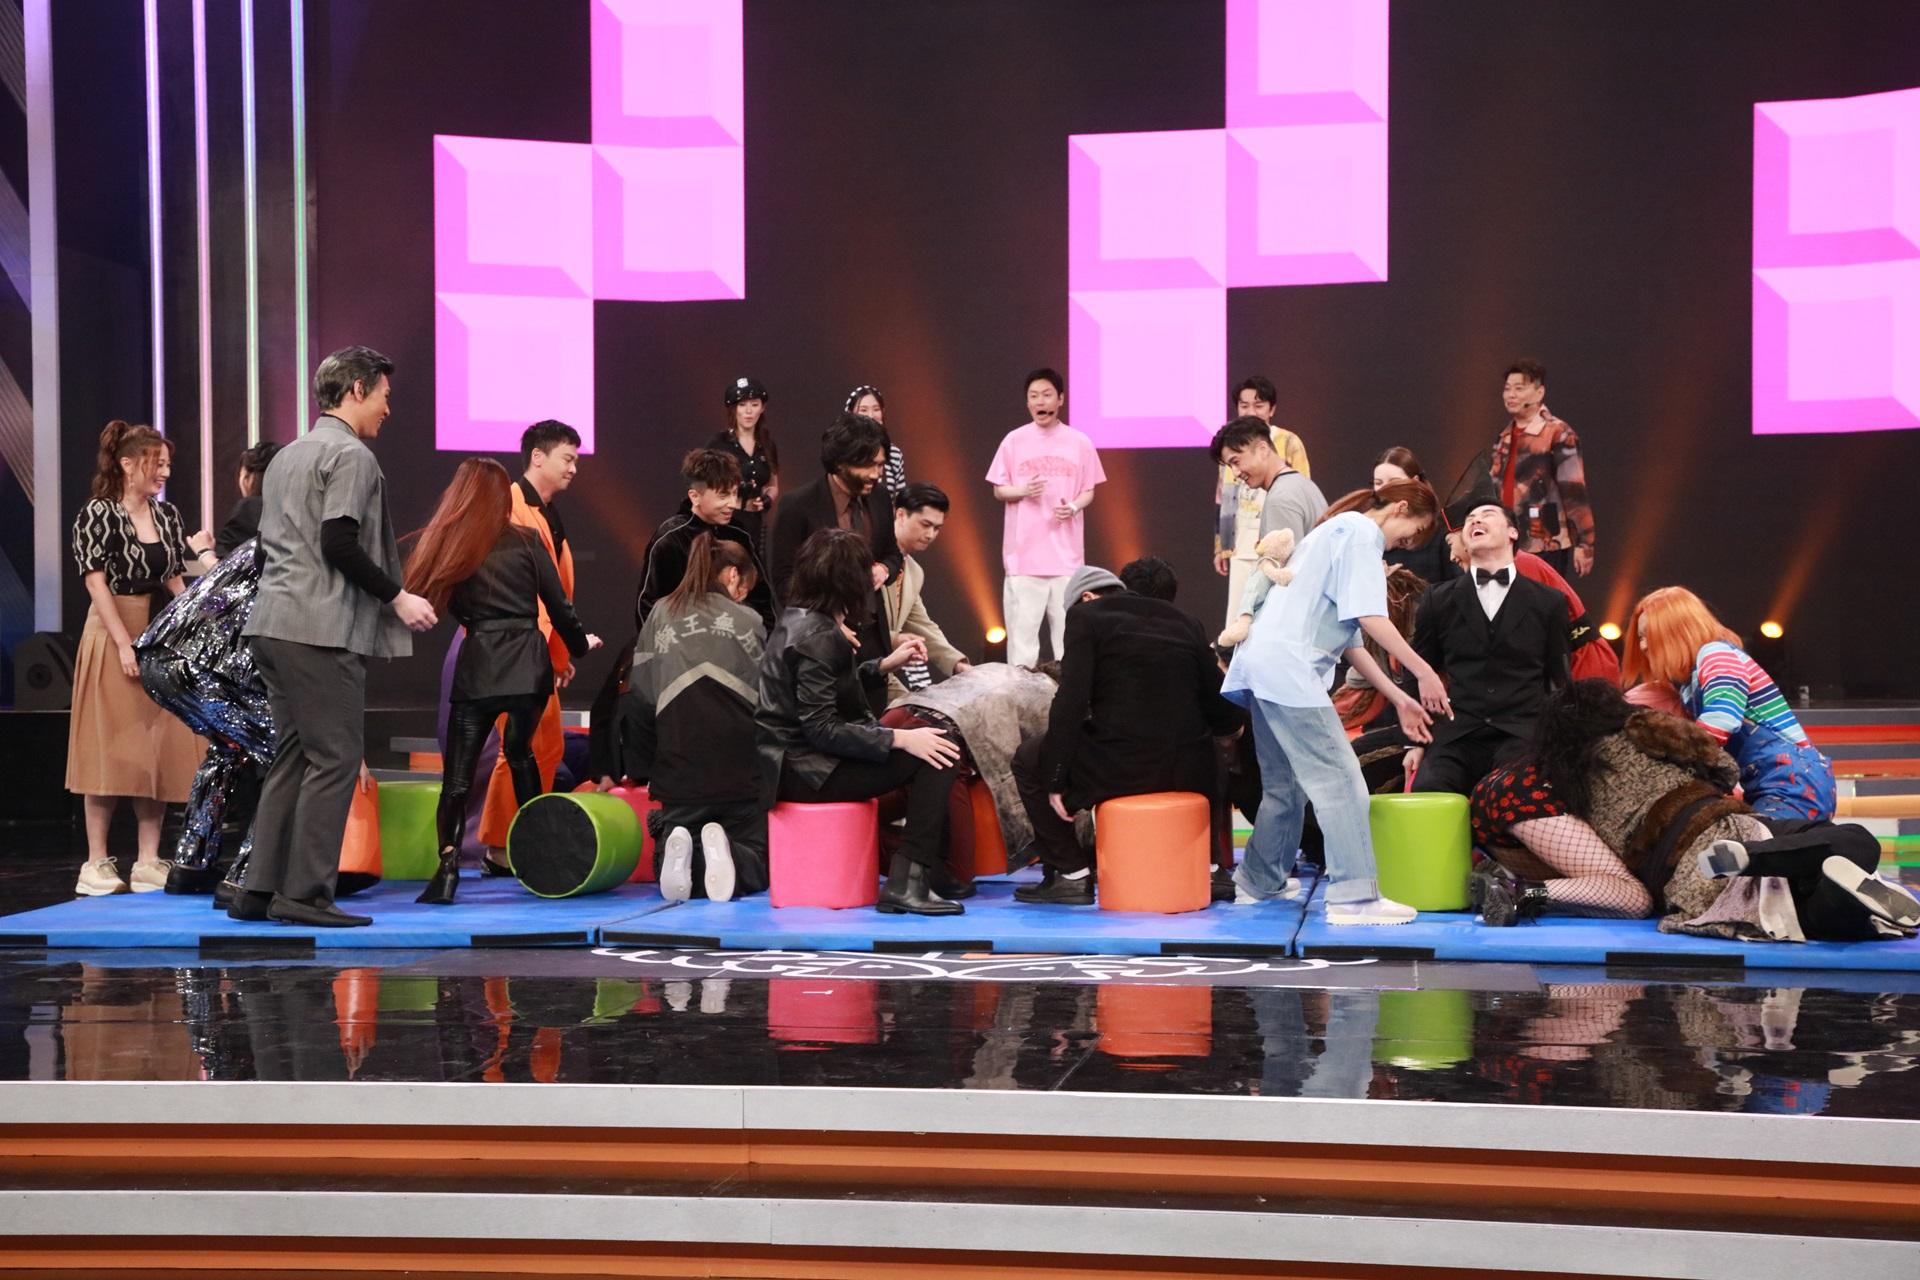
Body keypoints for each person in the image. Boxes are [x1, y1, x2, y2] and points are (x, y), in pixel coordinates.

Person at [238, 346, 438, 927]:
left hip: (272, 624)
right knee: (337, 758)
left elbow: (275, 546)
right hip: (319, 629)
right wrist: (398, 597)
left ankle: (259, 890)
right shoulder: (351, 456)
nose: (387, 408)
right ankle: (304, 896)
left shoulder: (287, 456)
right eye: (383, 395)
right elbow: (338, 542)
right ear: (356, 391)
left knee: (293, 755)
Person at [1479, 680, 1915, 939]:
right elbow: (1725, 769)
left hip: (1686, 868)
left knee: (1814, 913)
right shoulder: (1646, 730)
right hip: (1737, 825)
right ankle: (1786, 866)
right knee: (1854, 841)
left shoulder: (1570, 780)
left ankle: (1777, 872)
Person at [1221, 480, 1452, 925]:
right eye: (1409, 535)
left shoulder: (1334, 532)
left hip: (1264, 666)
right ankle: (1354, 897)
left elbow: (1352, 641)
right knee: (1342, 782)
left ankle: (1259, 881)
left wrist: (1399, 696)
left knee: (1285, 785)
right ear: (1401, 508)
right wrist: (1423, 671)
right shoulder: (1362, 534)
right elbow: (1370, 617)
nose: (1402, 545)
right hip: (1289, 670)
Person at [405, 458, 599, 905]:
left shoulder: (457, 546)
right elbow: (560, 606)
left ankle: (448, 868)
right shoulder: (529, 541)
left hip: (479, 667)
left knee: (457, 778)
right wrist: (579, 647)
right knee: (521, 755)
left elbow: (435, 601)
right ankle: (537, 857)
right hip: (527, 667)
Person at [755, 528, 963, 916]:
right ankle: (911, 879)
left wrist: (882, 666)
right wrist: (899, 739)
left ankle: (924, 871)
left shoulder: (799, 621)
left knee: (933, 741)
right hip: (807, 772)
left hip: (796, 765)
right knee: (941, 751)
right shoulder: (819, 635)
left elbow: (822, 694)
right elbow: (821, 728)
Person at [1012, 562, 1243, 905]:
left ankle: (1070, 873)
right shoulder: (1186, 622)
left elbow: (1071, 701)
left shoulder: (1086, 617)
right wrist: (1229, 731)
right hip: (1189, 768)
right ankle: (1210, 868)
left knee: (1028, 759)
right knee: (1205, 747)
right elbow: (1216, 698)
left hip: (1121, 766)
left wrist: (1056, 777)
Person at [67, 422, 214, 897]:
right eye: (157, 463)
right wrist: (122, 644)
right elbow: (96, 583)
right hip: (113, 628)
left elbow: (172, 579)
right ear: (127, 464)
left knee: (158, 747)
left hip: (158, 634)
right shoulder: (99, 513)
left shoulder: (167, 515)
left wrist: (192, 628)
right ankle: (95, 862)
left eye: (167, 464)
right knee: (108, 746)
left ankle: (148, 860)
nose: (164, 472)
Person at [623, 533, 769, 902]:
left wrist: (642, 770)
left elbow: (639, 699)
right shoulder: (750, 621)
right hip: (741, 777)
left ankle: (682, 850)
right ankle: (726, 853)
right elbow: (769, 705)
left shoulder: (659, 614)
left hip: (679, 776)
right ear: (733, 575)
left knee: (672, 859)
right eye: (745, 587)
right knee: (758, 861)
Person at [1404, 490, 1571, 797]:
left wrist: (1559, 744)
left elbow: (1559, 682)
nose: (1476, 520)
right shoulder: (1438, 599)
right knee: (1430, 791)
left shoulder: (1549, 602)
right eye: (1470, 519)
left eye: (1487, 515)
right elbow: (1417, 670)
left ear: (1512, 532)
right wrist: (1415, 742)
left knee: (1510, 794)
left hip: (1521, 733)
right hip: (1458, 734)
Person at [474, 419, 588, 865]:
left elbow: (557, 592)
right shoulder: (508, 507)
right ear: (537, 457)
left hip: (536, 653)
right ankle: (501, 848)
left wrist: (558, 656)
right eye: (567, 458)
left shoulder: (547, 512)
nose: (574, 468)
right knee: (519, 747)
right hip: (511, 650)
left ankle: (524, 839)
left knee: (547, 747)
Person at [1622, 586, 1835, 822]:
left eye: (1648, 635)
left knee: (1758, 841)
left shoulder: (1716, 655)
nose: (1643, 646)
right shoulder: (1691, 679)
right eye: (1640, 638)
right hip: (1775, 782)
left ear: (1675, 630)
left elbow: (1720, 722)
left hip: (1792, 781)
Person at [768, 412, 903, 710]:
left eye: (881, 465)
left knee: (873, 726)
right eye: (868, 465)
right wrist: (824, 625)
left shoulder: (881, 498)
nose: (876, 474)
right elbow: (784, 581)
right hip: (819, 641)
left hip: (872, 638)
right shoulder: (798, 505)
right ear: (841, 462)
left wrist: (884, 569)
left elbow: (893, 554)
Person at [986, 368, 1105, 666]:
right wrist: (1023, 490)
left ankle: (1068, 694)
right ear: (1027, 402)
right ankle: (1020, 695)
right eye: (1034, 396)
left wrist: (1073, 507)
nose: (1040, 402)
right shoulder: (1014, 441)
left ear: (1060, 399)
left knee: (1068, 644)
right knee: (1022, 647)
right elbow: (999, 490)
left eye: (1047, 395)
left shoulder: (1080, 442)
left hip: (1066, 560)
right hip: (1024, 559)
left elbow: (1088, 490)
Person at [1210, 416, 1327, 646]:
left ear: (1263, 449)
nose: (1235, 472)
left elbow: (1287, 578)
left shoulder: (1280, 499)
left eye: (1236, 461)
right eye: (1230, 466)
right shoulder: (1303, 485)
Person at [636, 448, 774, 632]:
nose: (732, 503)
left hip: (736, 642)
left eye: (735, 493)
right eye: (723, 495)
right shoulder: (671, 538)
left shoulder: (739, 534)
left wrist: (761, 641)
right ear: (695, 496)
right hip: (683, 643)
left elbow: (761, 598)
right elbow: (648, 607)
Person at [1213, 375, 1312, 628]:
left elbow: (1301, 487)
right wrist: (1222, 546)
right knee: (1238, 618)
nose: (1251, 411)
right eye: (1244, 405)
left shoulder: (1288, 441)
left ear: (1271, 409)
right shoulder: (1230, 446)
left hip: (1276, 537)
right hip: (1241, 542)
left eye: (1258, 405)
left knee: (1274, 614)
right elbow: (1224, 497)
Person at [1489, 358, 1594, 578]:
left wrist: (1585, 543)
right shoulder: (1504, 436)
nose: (1511, 395)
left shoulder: (1558, 433)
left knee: (1542, 597)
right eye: (1507, 389)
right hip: (1507, 539)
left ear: (1539, 393)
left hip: (1544, 541)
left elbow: (1574, 491)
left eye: (1519, 388)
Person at [882, 482, 970, 701]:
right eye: (925, 524)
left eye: (937, 528)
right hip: (846, 670)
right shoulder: (868, 557)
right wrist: (894, 639)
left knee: (920, 714)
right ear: (900, 515)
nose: (930, 534)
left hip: (880, 673)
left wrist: (958, 664)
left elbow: (922, 625)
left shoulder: (914, 571)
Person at [1373, 447, 1461, 587]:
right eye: (1378, 483)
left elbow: (1458, 585)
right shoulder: (1369, 531)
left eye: (1394, 481)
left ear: (1415, 481)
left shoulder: (1442, 531)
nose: (1385, 489)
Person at [710, 376, 779, 548]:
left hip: (755, 522)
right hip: (727, 521)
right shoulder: (719, 444)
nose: (748, 411)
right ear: (733, 409)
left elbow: (772, 484)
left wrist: (767, 499)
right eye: (742, 405)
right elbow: (703, 486)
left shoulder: (767, 444)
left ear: (762, 408)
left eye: (754, 405)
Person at [214, 441, 281, 557]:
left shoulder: (250, 508)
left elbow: (227, 565)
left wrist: (203, 551)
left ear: (247, 477)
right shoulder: (298, 508)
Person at [846, 384, 906, 500]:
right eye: (863, 410)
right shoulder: (843, 450)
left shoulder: (894, 453)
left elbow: (899, 498)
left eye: (876, 409)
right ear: (850, 413)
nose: (870, 415)